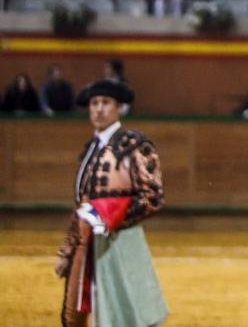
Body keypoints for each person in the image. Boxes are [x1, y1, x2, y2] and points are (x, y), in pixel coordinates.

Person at [55, 78, 167, 327]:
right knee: (77, 313)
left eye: (106, 102)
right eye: (94, 103)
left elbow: (153, 197)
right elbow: (82, 206)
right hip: (86, 245)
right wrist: (67, 251)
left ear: (119, 108)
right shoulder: (90, 150)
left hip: (120, 242)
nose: (98, 108)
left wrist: (110, 219)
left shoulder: (134, 145)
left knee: (125, 312)